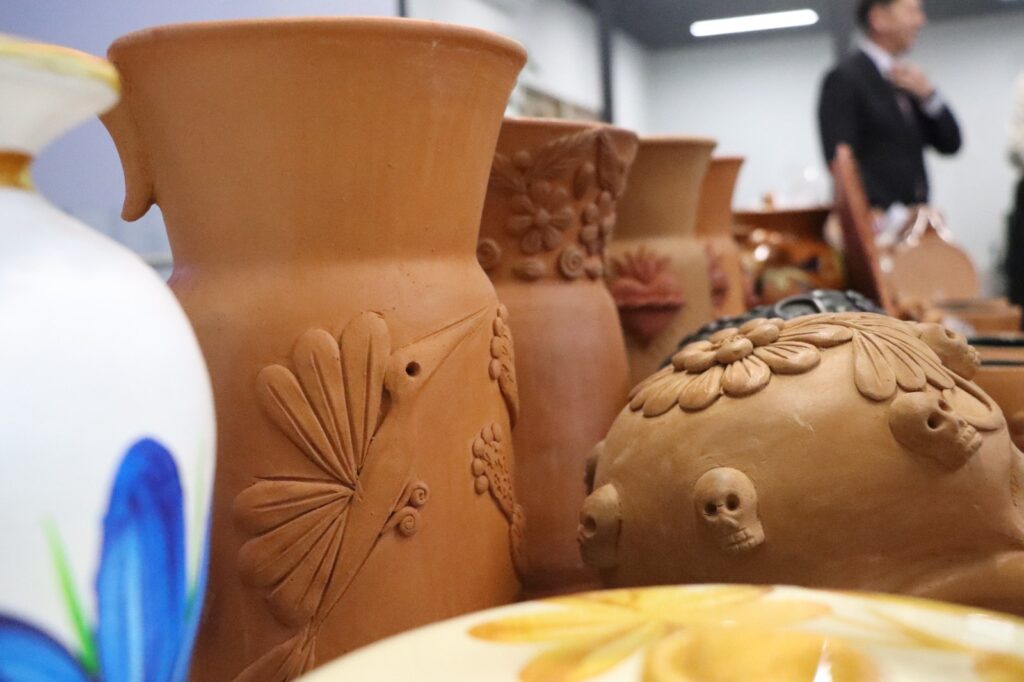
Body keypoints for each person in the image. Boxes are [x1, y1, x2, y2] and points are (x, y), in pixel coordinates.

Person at [818, 0, 961, 212]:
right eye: (911, 11)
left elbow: (950, 143)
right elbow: (841, 161)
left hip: (916, 217)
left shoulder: (905, 80)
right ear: (879, 18)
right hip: (876, 220)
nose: (921, 21)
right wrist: (893, 215)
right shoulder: (845, 79)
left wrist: (929, 96)